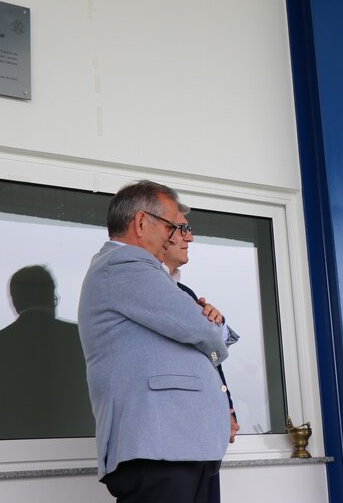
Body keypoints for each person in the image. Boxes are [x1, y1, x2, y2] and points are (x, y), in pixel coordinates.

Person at [79, 180, 231, 503]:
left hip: (177, 449)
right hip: (160, 453)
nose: (176, 235)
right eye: (171, 226)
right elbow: (201, 329)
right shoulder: (123, 264)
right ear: (141, 222)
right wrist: (216, 329)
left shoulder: (141, 272)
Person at [161, 221, 240, 503]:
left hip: (202, 439)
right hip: (170, 441)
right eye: (181, 229)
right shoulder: (151, 290)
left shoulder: (186, 293)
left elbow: (210, 356)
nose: (190, 238)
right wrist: (213, 333)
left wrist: (225, 406)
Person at [0, 265, 93, 439]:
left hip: (8, 449)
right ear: (51, 298)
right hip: (79, 446)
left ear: (15, 303)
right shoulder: (83, 339)